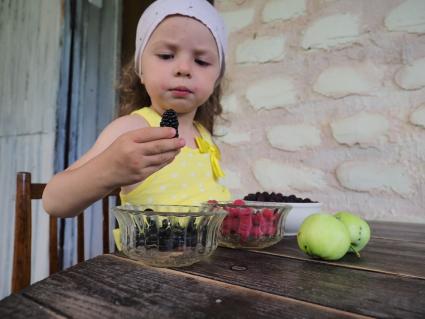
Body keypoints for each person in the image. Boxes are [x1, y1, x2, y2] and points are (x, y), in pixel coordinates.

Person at [42, 0, 231, 218]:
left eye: (201, 61)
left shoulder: (204, 137)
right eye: (166, 56)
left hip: (211, 252)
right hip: (150, 252)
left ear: (216, 78)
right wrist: (109, 169)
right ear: (140, 70)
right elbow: (53, 201)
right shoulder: (133, 128)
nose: (184, 68)